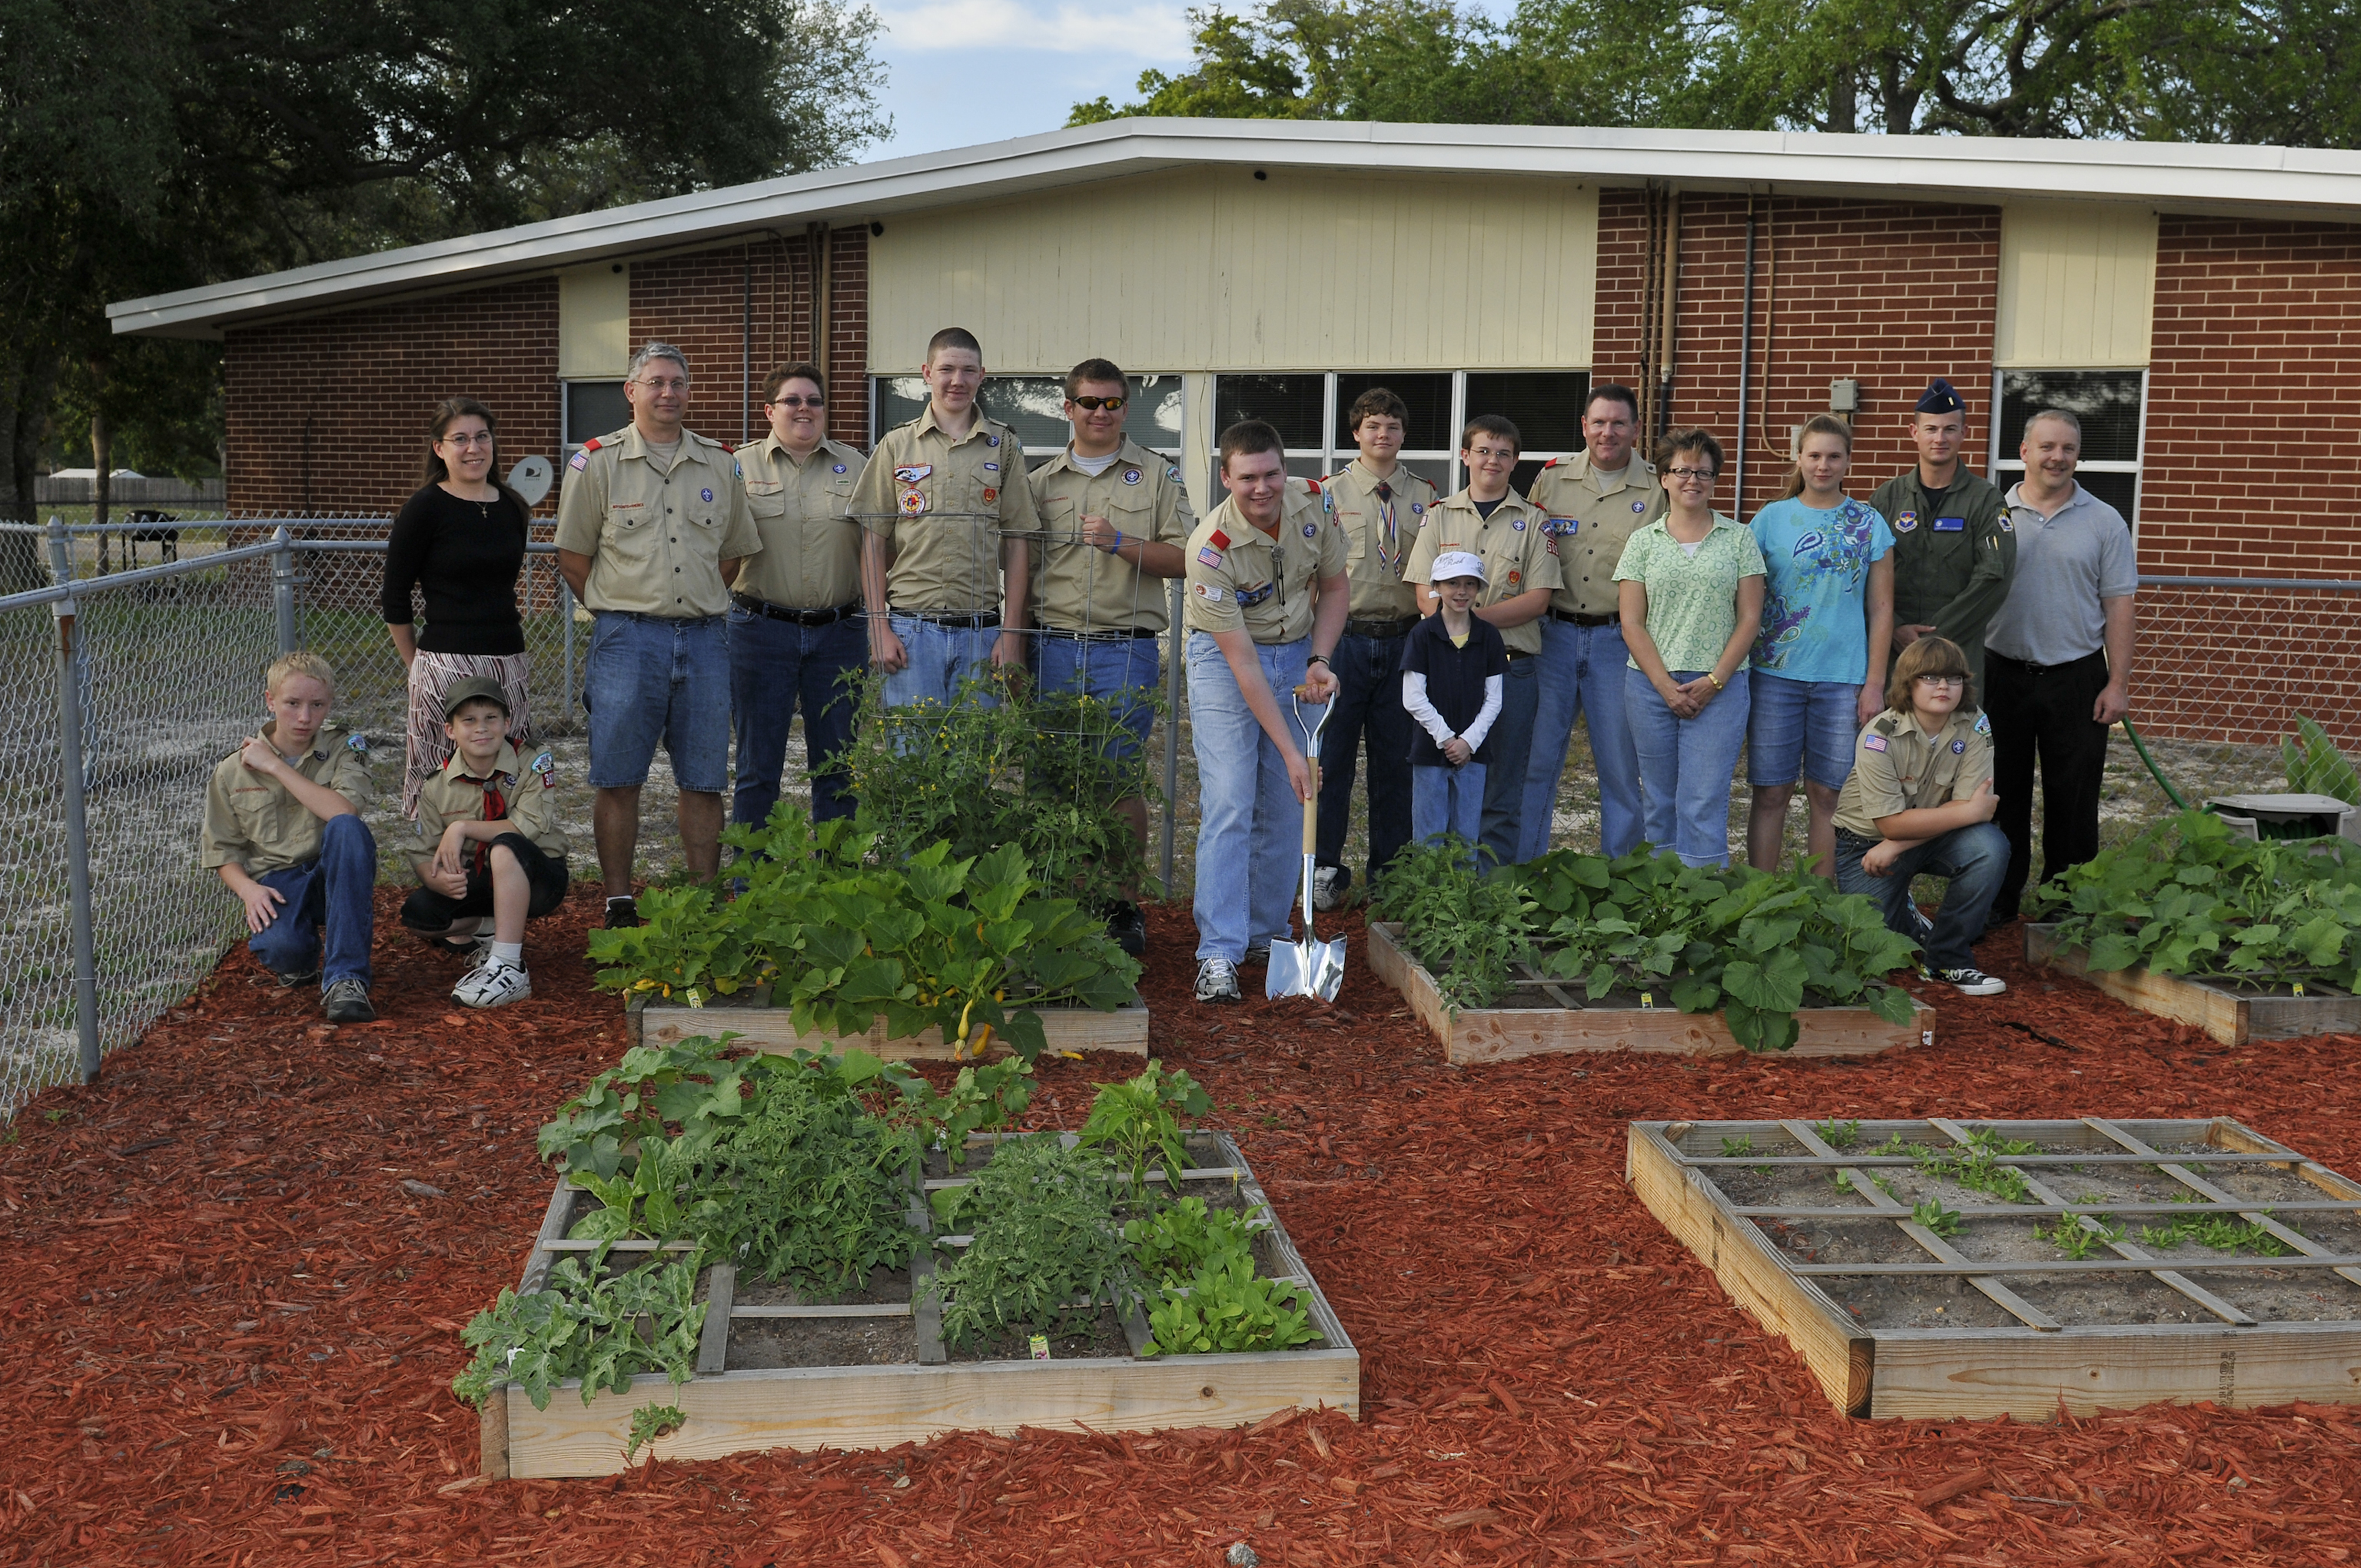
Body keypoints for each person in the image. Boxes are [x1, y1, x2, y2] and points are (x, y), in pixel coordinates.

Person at [553, 341, 760, 929]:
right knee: (618, 776)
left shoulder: (721, 464)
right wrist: (621, 612)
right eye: (655, 383)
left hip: (703, 640)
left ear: (689, 392)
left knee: (703, 778)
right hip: (627, 641)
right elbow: (573, 558)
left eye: (677, 383)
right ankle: (620, 901)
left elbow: (733, 557)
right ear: (631, 391)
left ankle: (702, 903)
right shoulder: (596, 463)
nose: (667, 393)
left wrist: (689, 602)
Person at [1027, 357, 1191, 956]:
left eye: (1114, 403)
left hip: (1124, 649)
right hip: (1051, 645)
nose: (1102, 413)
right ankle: (1058, 897)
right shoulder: (1040, 482)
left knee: (1118, 781)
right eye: (1090, 402)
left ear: (1127, 407)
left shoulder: (1155, 476)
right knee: (1048, 778)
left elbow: (1188, 559)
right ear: (1067, 407)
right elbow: (1019, 566)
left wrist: (1122, 544)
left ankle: (1120, 906)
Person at [1181, 420, 1346, 1005]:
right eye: (1247, 477)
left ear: (1284, 468)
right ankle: (1219, 952)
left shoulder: (1312, 503)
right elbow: (1245, 667)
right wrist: (1290, 748)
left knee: (1286, 801)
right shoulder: (1209, 550)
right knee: (1230, 797)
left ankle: (1266, 935)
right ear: (1226, 478)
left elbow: (1335, 585)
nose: (1262, 487)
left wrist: (1320, 659)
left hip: (1296, 647)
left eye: (1271, 473)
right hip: (1227, 661)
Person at [1983, 409, 2138, 933]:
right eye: (2047, 446)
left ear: (2078, 456)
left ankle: (2065, 904)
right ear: (2023, 452)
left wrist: (2117, 683)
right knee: (2000, 793)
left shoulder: (2103, 521)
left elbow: (2119, 604)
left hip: (2077, 675)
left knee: (2074, 796)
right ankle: (1999, 897)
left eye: (2068, 448)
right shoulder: (1993, 513)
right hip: (2002, 672)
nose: (2057, 457)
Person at [852, 327, 1041, 709]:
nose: (958, 380)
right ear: (927, 373)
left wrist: (1012, 634)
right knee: (911, 759)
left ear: (982, 375)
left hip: (982, 633)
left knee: (974, 761)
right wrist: (878, 626)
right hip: (909, 631)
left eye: (969, 371)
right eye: (947, 369)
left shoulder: (1003, 445)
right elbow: (872, 541)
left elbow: (1019, 540)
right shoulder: (896, 444)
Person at [1744, 414, 1896, 875]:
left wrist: (1874, 684)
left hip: (1842, 680)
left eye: (1834, 456)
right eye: (1814, 455)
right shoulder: (1770, 519)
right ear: (1799, 457)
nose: (1823, 465)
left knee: (1828, 794)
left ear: (1849, 461)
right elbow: (1746, 596)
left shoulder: (1869, 523)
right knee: (1771, 791)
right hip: (1775, 675)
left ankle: (1817, 901)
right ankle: (1762, 895)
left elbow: (1883, 609)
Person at [1404, 415, 1559, 868]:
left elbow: (1537, 598)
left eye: (1504, 453)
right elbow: (1421, 589)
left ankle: (1491, 890)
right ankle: (1439, 892)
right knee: (1440, 782)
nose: (1493, 460)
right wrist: (1459, 626)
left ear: (1516, 462)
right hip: (1444, 671)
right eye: (1484, 451)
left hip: (1511, 667)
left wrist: (1473, 627)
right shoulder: (1439, 515)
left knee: (1501, 786)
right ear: (1465, 455)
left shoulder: (1534, 522)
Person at [1522, 384, 1665, 860]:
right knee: (1536, 762)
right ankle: (1521, 873)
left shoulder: (1657, 486)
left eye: (1619, 423)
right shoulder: (1552, 480)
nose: (1608, 432)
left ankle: (1621, 878)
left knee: (1620, 768)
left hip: (1618, 641)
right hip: (1552, 638)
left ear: (1636, 429)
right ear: (1584, 426)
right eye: (1599, 422)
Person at [1614, 429, 1765, 869]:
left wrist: (1714, 681)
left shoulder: (1739, 540)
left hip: (1720, 687)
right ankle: (1662, 898)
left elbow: (1750, 619)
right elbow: (1631, 622)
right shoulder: (1643, 542)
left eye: (1703, 472)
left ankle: (1703, 904)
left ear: (1715, 480)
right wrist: (1664, 687)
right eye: (1681, 470)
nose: (1692, 480)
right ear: (1664, 477)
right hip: (1650, 688)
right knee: (1659, 799)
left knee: (1703, 799)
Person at [200, 651, 378, 1023]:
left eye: (317, 705)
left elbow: (343, 812)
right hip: (281, 881)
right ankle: (301, 955)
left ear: (330, 704)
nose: (304, 717)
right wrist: (249, 890)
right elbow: (222, 849)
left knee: (347, 829)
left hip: (336, 872)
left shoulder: (347, 747)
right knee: (283, 950)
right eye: (292, 704)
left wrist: (276, 767)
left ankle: (346, 980)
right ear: (270, 701)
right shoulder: (232, 771)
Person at [728, 362, 869, 830]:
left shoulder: (859, 467)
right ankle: (753, 886)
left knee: (837, 767)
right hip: (760, 633)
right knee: (757, 769)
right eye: (792, 400)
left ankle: (837, 880)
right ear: (769, 411)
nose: (804, 409)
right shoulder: (737, 467)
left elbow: (880, 545)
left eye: (814, 400)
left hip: (841, 635)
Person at [1311, 387, 1436, 911]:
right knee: (1332, 759)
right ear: (1355, 432)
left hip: (1404, 638)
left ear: (1403, 434)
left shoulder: (1426, 495)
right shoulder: (1325, 493)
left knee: (1396, 760)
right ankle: (1324, 870)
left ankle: (1390, 870)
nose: (1381, 435)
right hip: (1344, 640)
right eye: (1372, 425)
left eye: (1391, 425)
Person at [381, 397, 535, 818]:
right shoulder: (424, 509)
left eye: (482, 437)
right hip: (445, 664)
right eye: (461, 439)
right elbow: (394, 598)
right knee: (441, 774)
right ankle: (439, 869)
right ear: (439, 448)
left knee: (507, 771)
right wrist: (417, 666)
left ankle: (500, 866)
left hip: (508, 661)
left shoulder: (512, 508)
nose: (474, 448)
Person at [1831, 636, 2009, 996]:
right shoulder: (1878, 736)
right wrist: (1969, 811)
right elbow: (1890, 824)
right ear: (1908, 684)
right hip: (1866, 848)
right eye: (1929, 678)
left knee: (1990, 847)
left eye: (1953, 678)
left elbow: (1969, 813)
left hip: (1910, 842)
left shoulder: (1974, 723)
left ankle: (1949, 959)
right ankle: (1907, 915)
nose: (1943, 686)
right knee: (1878, 952)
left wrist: (1897, 845)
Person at [400, 677, 571, 1008]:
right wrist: (436, 878)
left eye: (491, 718)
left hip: (538, 877)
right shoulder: (438, 784)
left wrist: (462, 827)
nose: (481, 728)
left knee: (505, 845)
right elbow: (424, 852)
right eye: (469, 720)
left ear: (507, 723)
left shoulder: (532, 761)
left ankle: (509, 966)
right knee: (419, 915)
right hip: (482, 878)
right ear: (450, 731)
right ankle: (489, 929)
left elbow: (528, 827)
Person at [1868, 379, 2014, 700]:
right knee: (1890, 743)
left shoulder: (1986, 501)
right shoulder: (1886, 499)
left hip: (1956, 656)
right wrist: (1893, 627)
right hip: (1892, 655)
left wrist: (1934, 638)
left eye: (1950, 429)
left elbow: (1993, 577)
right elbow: (1863, 572)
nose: (1940, 438)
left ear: (1964, 433)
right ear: (1913, 432)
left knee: (1953, 745)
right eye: (1931, 429)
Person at [1400, 551, 1506, 857]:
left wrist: (1468, 743)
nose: (1461, 592)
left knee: (1466, 840)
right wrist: (1447, 739)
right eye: (1453, 583)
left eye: (1470, 584)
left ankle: (1461, 902)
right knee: (1428, 838)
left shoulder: (1488, 637)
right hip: (1431, 751)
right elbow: (1413, 697)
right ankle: (1431, 903)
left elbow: (1494, 699)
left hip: (1474, 754)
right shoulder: (1422, 635)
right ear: (1437, 587)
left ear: (1478, 590)